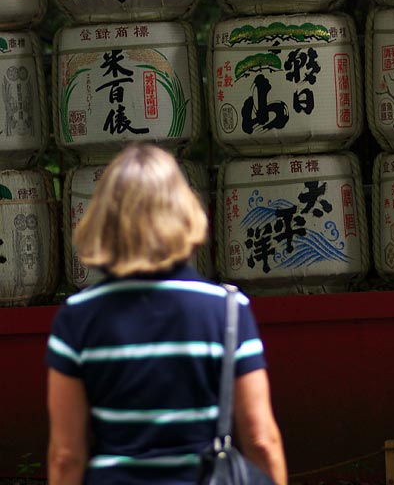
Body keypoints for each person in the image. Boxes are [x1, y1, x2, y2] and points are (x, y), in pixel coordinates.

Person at [45, 143, 288, 485]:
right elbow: (261, 440)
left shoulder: (77, 316)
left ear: (104, 220)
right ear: (183, 212)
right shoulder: (228, 310)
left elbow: (66, 456)